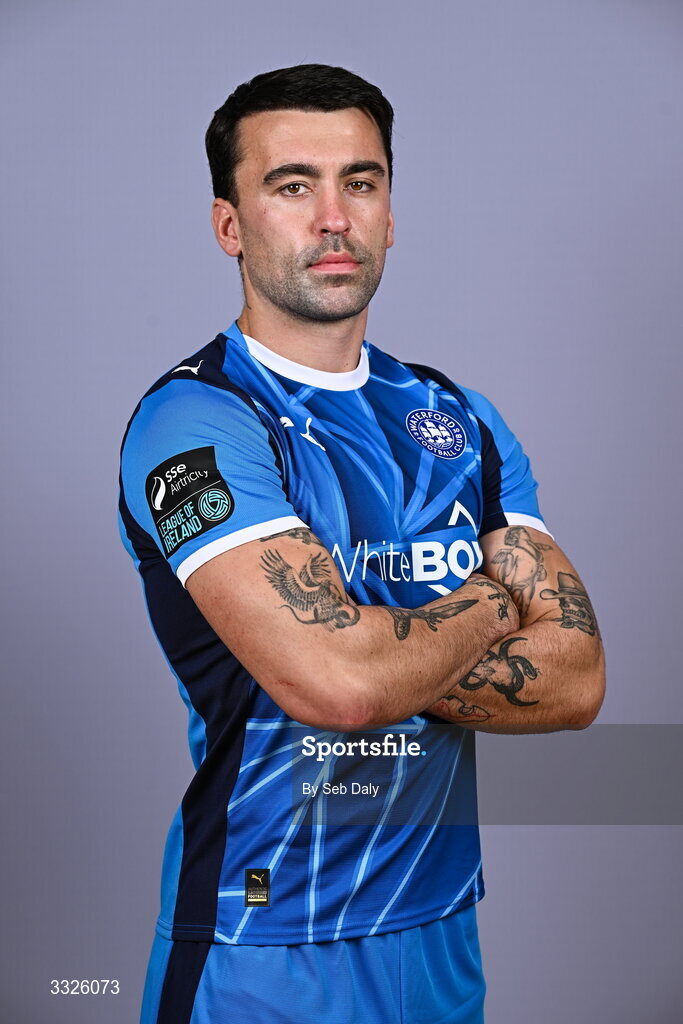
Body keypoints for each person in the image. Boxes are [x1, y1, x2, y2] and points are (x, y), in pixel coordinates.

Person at [118, 63, 605, 1024]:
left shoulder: (458, 417)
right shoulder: (197, 423)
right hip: (266, 944)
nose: (333, 217)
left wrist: (367, 648)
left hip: (440, 931)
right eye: (292, 185)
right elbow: (338, 689)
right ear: (230, 225)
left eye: (361, 182)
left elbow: (578, 678)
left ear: (389, 213)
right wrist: (489, 601)